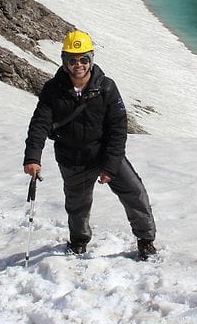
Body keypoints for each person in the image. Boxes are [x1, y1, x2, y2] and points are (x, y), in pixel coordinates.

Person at [23, 30, 157, 260]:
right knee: (77, 205)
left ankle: (146, 241)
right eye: (73, 60)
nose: (79, 65)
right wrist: (33, 157)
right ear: (65, 61)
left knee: (134, 193)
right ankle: (78, 242)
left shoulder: (106, 87)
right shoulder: (53, 90)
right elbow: (39, 124)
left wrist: (110, 166)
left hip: (104, 153)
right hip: (72, 157)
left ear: (91, 59)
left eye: (84, 59)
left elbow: (117, 129)